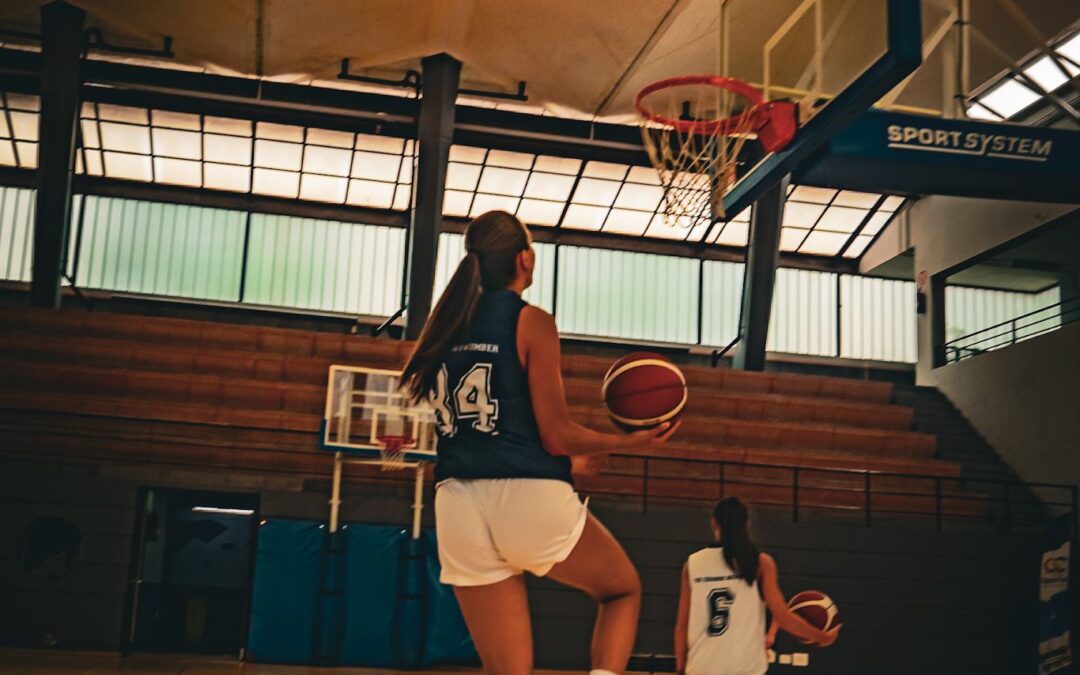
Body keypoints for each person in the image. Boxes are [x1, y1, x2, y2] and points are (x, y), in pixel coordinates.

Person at [402, 210, 678, 675]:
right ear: (524, 260)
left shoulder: (446, 326)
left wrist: (569, 469)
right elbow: (556, 434)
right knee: (621, 590)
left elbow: (485, 439)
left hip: (455, 506)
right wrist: (632, 441)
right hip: (527, 500)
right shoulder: (531, 322)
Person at [674, 497, 840, 675]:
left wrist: (680, 668)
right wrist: (822, 637)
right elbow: (782, 616)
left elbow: (682, 625)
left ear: (714, 523)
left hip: (701, 668)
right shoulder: (760, 562)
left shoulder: (693, 564)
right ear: (746, 524)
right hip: (744, 669)